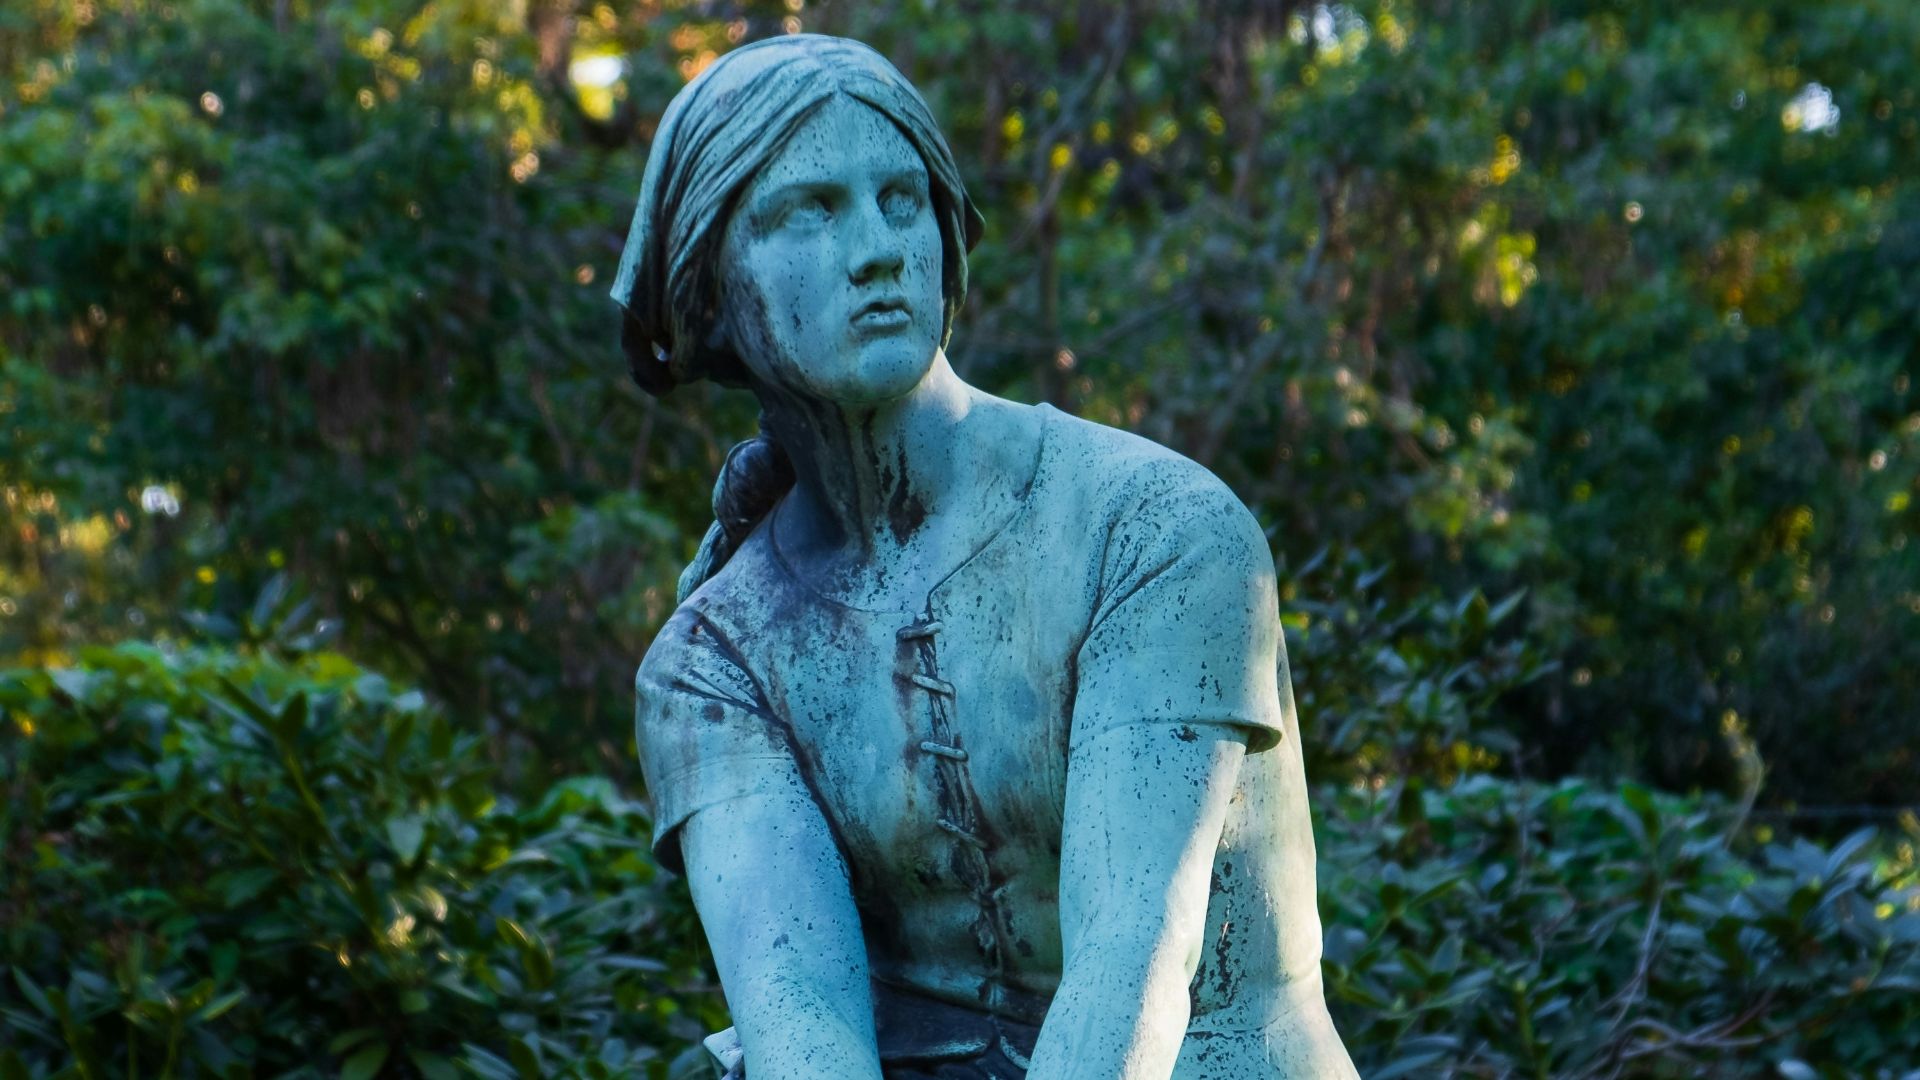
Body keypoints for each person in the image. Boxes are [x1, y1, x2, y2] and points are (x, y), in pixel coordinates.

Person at [611, 34, 1358, 1080]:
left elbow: (1128, 975)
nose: (875, 248)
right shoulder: (714, 661)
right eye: (809, 211)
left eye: (901, 200)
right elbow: (804, 1037)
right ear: (708, 292)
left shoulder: (1156, 529)